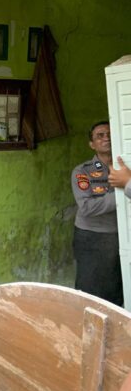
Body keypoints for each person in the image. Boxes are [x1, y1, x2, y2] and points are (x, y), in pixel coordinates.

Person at [71, 121, 124, 306]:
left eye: (109, 133)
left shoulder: (125, 167)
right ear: (92, 144)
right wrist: (123, 191)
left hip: (119, 235)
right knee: (90, 288)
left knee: (117, 285)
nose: (106, 137)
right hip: (91, 238)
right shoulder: (83, 171)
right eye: (100, 135)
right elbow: (86, 207)